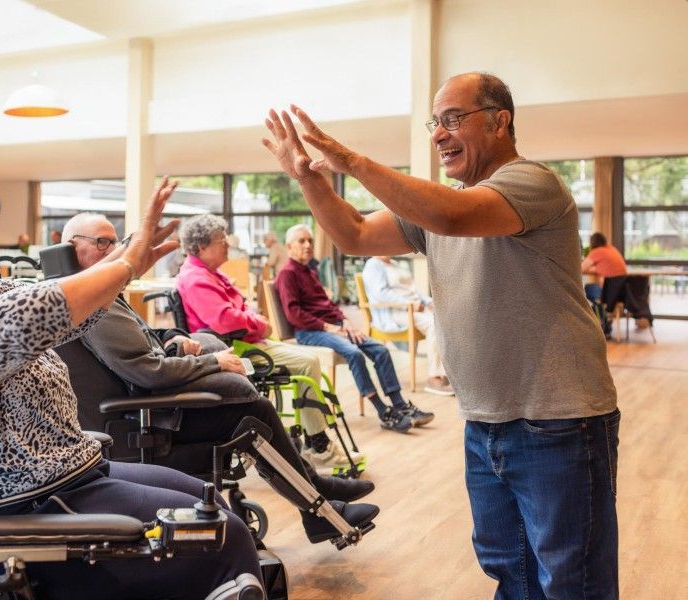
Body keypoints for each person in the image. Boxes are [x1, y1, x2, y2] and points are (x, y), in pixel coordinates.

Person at [262, 72, 619, 598]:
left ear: (501, 121)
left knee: (571, 581)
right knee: (510, 569)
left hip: (558, 420)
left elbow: (451, 216)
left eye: (453, 119)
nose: (438, 134)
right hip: (485, 421)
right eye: (436, 123)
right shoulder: (435, 208)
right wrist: (308, 177)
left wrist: (353, 162)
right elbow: (356, 235)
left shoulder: (532, 182)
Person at [0, 174, 262, 599]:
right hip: (10, 507)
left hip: (61, 478)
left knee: (209, 503)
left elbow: (65, 307)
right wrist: (124, 264)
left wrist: (126, 262)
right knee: (220, 535)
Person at [62, 213, 378, 541]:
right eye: (102, 242)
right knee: (254, 415)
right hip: (143, 422)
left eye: (115, 242)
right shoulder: (96, 301)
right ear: (72, 247)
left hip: (145, 410)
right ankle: (316, 507)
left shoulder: (93, 293)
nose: (113, 250)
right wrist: (214, 362)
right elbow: (149, 373)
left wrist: (170, 338)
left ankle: (314, 494)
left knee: (256, 409)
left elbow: (138, 349)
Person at [175, 214, 364, 473]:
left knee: (310, 362)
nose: (227, 244)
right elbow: (224, 320)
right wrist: (259, 324)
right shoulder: (197, 279)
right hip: (232, 347)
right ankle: (319, 446)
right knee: (308, 364)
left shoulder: (210, 274)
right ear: (201, 247)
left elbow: (240, 308)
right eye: (222, 241)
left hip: (247, 341)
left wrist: (253, 319)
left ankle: (315, 441)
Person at [276, 224, 430, 432]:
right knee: (354, 354)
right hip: (311, 332)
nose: (308, 245)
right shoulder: (287, 274)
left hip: (333, 327)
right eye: (302, 241)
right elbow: (294, 314)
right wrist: (330, 328)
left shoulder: (310, 271)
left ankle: (400, 405)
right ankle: (383, 412)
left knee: (381, 351)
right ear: (289, 247)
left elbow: (329, 305)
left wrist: (345, 322)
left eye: (310, 240)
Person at [361, 255, 454, 396]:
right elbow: (381, 293)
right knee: (434, 325)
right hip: (395, 311)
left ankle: (449, 374)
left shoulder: (394, 264)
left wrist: (429, 301)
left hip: (413, 309)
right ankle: (434, 378)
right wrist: (408, 304)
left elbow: (414, 291)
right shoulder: (373, 265)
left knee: (447, 321)